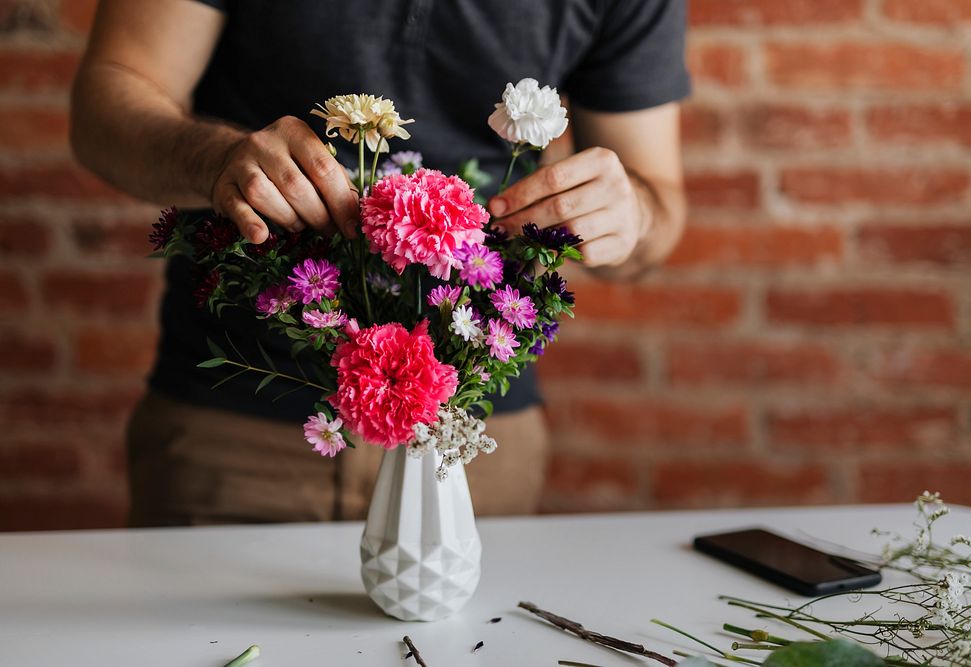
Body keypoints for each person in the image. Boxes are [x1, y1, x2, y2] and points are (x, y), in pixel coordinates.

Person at [70, 0, 689, 526]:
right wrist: (218, 159)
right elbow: (108, 99)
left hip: (469, 441)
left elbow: (658, 204)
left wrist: (630, 214)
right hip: (236, 426)